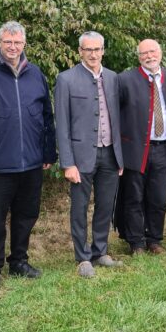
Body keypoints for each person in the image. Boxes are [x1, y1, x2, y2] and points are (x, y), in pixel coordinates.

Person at [0, 21, 56, 289]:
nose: (13, 47)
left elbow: (46, 116)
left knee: (26, 215)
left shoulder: (35, 73)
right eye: (8, 42)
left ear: (24, 44)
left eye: (17, 42)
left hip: (31, 162)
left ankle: (19, 260)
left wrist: (48, 151)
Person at [55, 31, 125, 278]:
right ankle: (82, 257)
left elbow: (117, 118)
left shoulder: (114, 78)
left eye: (97, 49)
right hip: (80, 156)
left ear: (103, 51)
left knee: (105, 205)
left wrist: (119, 157)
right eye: (88, 50)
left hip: (109, 154)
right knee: (80, 207)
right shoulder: (66, 79)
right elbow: (62, 125)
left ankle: (100, 251)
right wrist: (67, 163)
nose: (93, 54)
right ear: (80, 52)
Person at [117, 39, 166, 255]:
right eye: (144, 53)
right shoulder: (125, 80)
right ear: (138, 57)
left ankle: (154, 240)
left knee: (158, 197)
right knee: (134, 197)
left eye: (152, 51)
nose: (149, 56)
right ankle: (136, 242)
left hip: (163, 148)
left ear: (160, 53)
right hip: (135, 149)